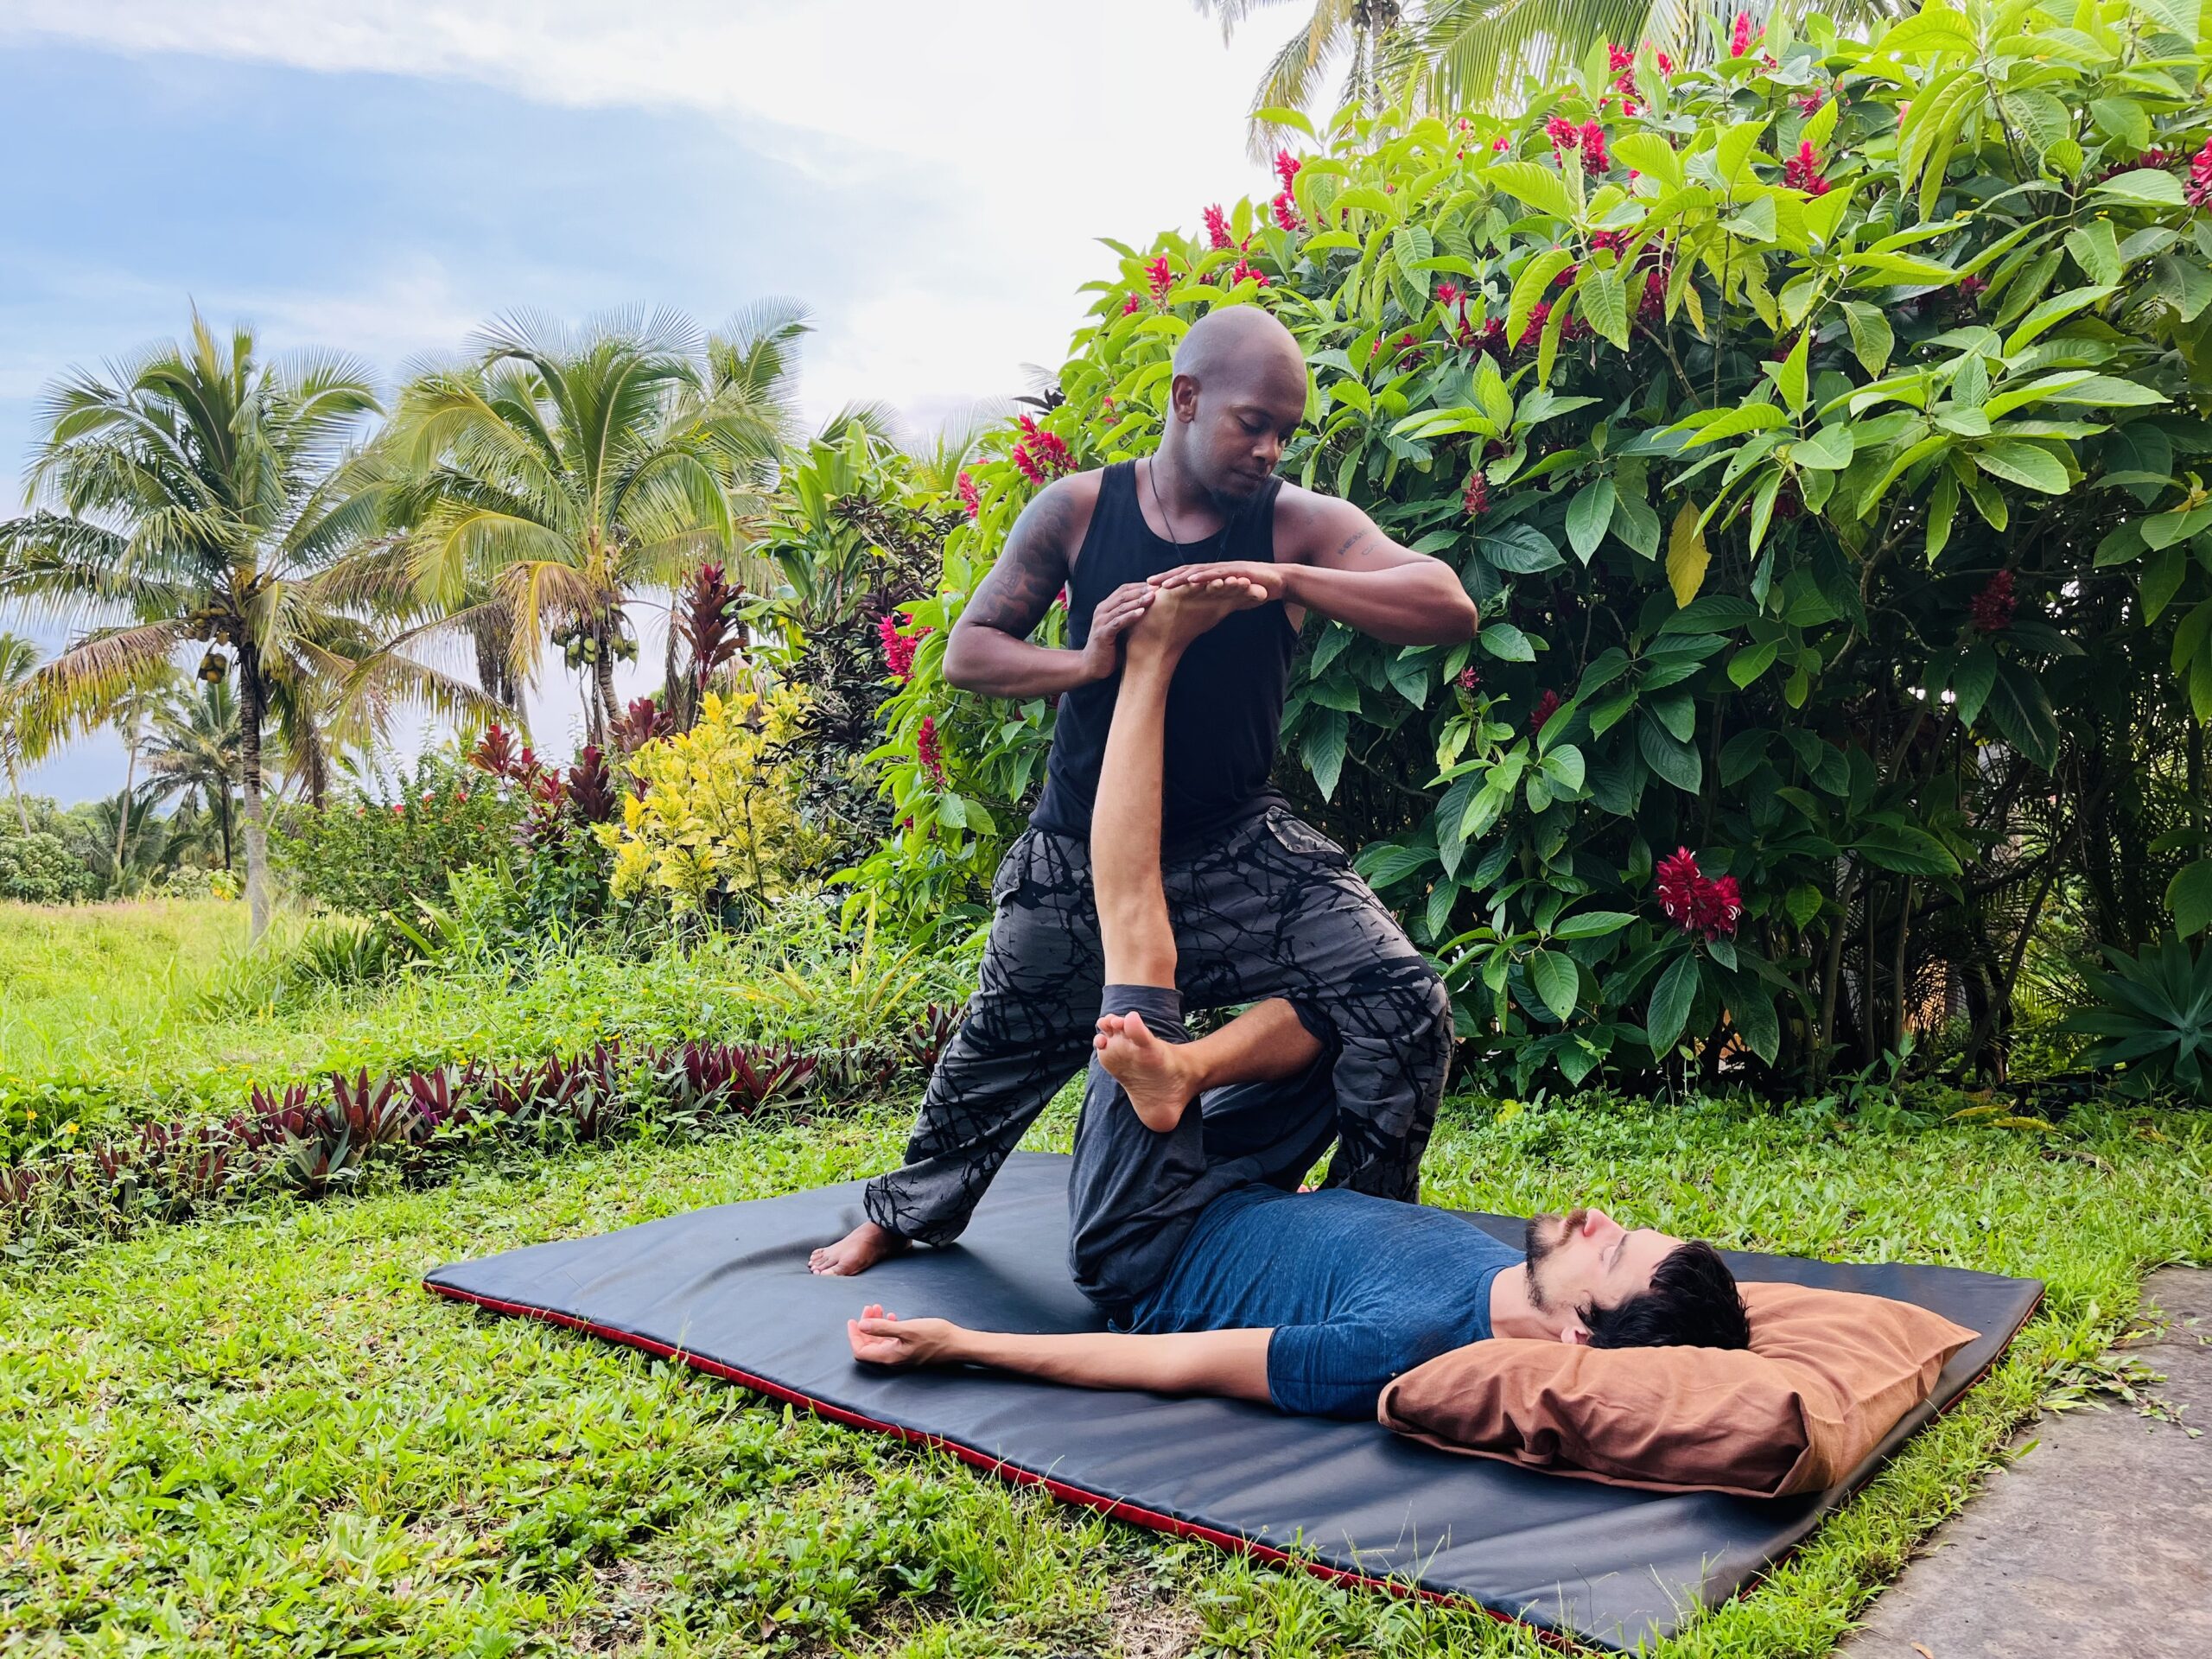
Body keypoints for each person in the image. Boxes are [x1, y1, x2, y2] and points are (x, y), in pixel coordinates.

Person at [844, 581, 1751, 1418]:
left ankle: (1150, 663)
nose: (1599, 1219)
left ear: (1578, 1335)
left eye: (1615, 1250)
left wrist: (959, 1345)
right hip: (1245, 1188)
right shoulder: (1518, 1284)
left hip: (1148, 1239)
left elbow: (1173, 1365)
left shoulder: (1399, 1350)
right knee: (1363, 998)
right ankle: (1185, 1074)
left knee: (1138, 935)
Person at [811, 304, 1481, 1277]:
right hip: (1082, 851)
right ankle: (902, 1213)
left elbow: (1446, 606)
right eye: (1253, 422)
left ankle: (1364, 1227)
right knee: (1002, 1044)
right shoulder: (1079, 511)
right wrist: (1088, 663)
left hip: (1235, 846)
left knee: (1399, 997)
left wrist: (1280, 572)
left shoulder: (1294, 521)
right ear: (1185, 398)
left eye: (1286, 431)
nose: (1270, 447)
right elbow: (968, 651)